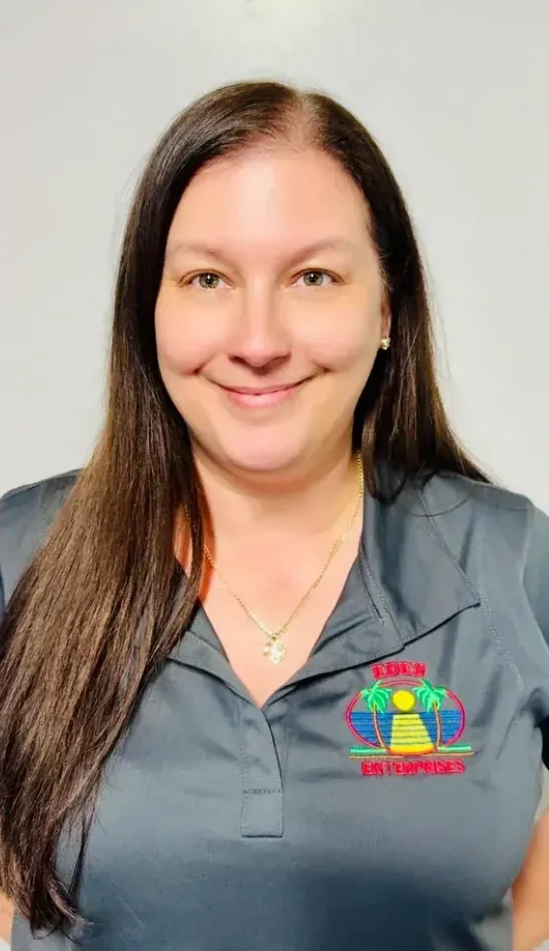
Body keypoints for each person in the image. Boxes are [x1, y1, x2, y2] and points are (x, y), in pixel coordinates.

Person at [0, 79, 548, 951]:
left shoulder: (509, 561)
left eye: (313, 275)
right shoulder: (19, 558)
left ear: (385, 310)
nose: (258, 339)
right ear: (150, 309)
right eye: (207, 277)